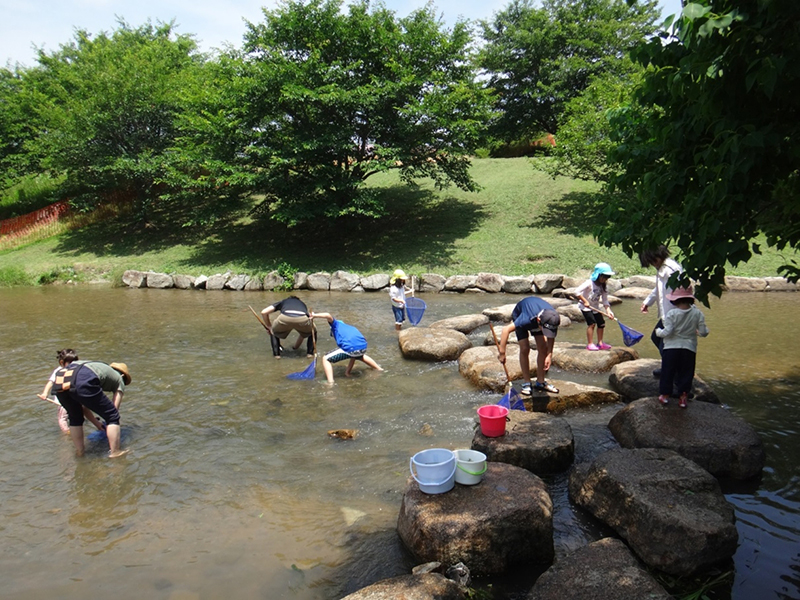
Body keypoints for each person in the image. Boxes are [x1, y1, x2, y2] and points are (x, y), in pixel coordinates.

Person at [48, 350, 131, 458]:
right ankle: (115, 452)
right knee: (113, 416)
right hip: (82, 377)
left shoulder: (98, 368)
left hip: (60, 380)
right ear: (123, 375)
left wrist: (97, 424)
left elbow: (84, 406)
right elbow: (114, 409)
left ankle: (80, 452)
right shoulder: (119, 379)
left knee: (75, 418)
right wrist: (108, 423)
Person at [655, 287, 709, 408]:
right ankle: (683, 397)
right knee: (686, 372)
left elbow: (667, 332)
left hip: (671, 348)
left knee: (668, 371)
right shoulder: (697, 313)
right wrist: (700, 331)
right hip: (689, 348)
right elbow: (704, 332)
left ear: (675, 300)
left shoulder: (672, 313)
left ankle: (665, 396)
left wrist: (658, 331)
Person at [497, 296, 561, 395]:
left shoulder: (552, 318)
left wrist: (549, 355)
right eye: (544, 330)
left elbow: (551, 337)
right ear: (539, 321)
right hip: (521, 313)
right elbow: (505, 330)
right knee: (525, 348)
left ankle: (540, 382)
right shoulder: (525, 320)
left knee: (543, 348)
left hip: (537, 318)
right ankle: (527, 382)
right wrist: (502, 353)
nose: (546, 332)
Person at [639, 245, 684, 376]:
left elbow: (676, 292)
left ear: (660, 255)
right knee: (657, 338)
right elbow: (659, 289)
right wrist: (648, 302)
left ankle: (673, 374)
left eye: (654, 261)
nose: (653, 265)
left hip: (674, 314)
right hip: (669, 314)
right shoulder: (663, 267)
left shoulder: (670, 269)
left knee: (666, 345)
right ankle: (668, 368)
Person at [37, 349, 105, 433]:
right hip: (63, 401)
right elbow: (50, 382)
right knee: (63, 418)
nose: (73, 365)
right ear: (62, 363)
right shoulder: (58, 371)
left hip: (76, 398)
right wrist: (45, 393)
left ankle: (96, 425)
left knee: (81, 413)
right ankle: (67, 433)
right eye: (70, 363)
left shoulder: (76, 370)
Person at [310, 312, 383, 383]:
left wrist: (314, 315)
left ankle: (330, 382)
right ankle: (379, 369)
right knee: (358, 355)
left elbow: (328, 315)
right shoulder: (350, 328)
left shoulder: (335, 324)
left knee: (325, 358)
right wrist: (347, 372)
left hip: (351, 348)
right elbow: (353, 355)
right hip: (363, 347)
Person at [575, 262, 616, 351]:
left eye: (608, 277)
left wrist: (608, 311)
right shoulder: (589, 283)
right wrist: (585, 301)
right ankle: (590, 344)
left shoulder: (603, 286)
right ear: (598, 275)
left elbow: (605, 300)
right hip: (585, 307)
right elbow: (577, 291)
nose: (605, 279)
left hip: (595, 307)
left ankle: (600, 343)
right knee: (592, 324)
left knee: (601, 324)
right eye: (604, 276)